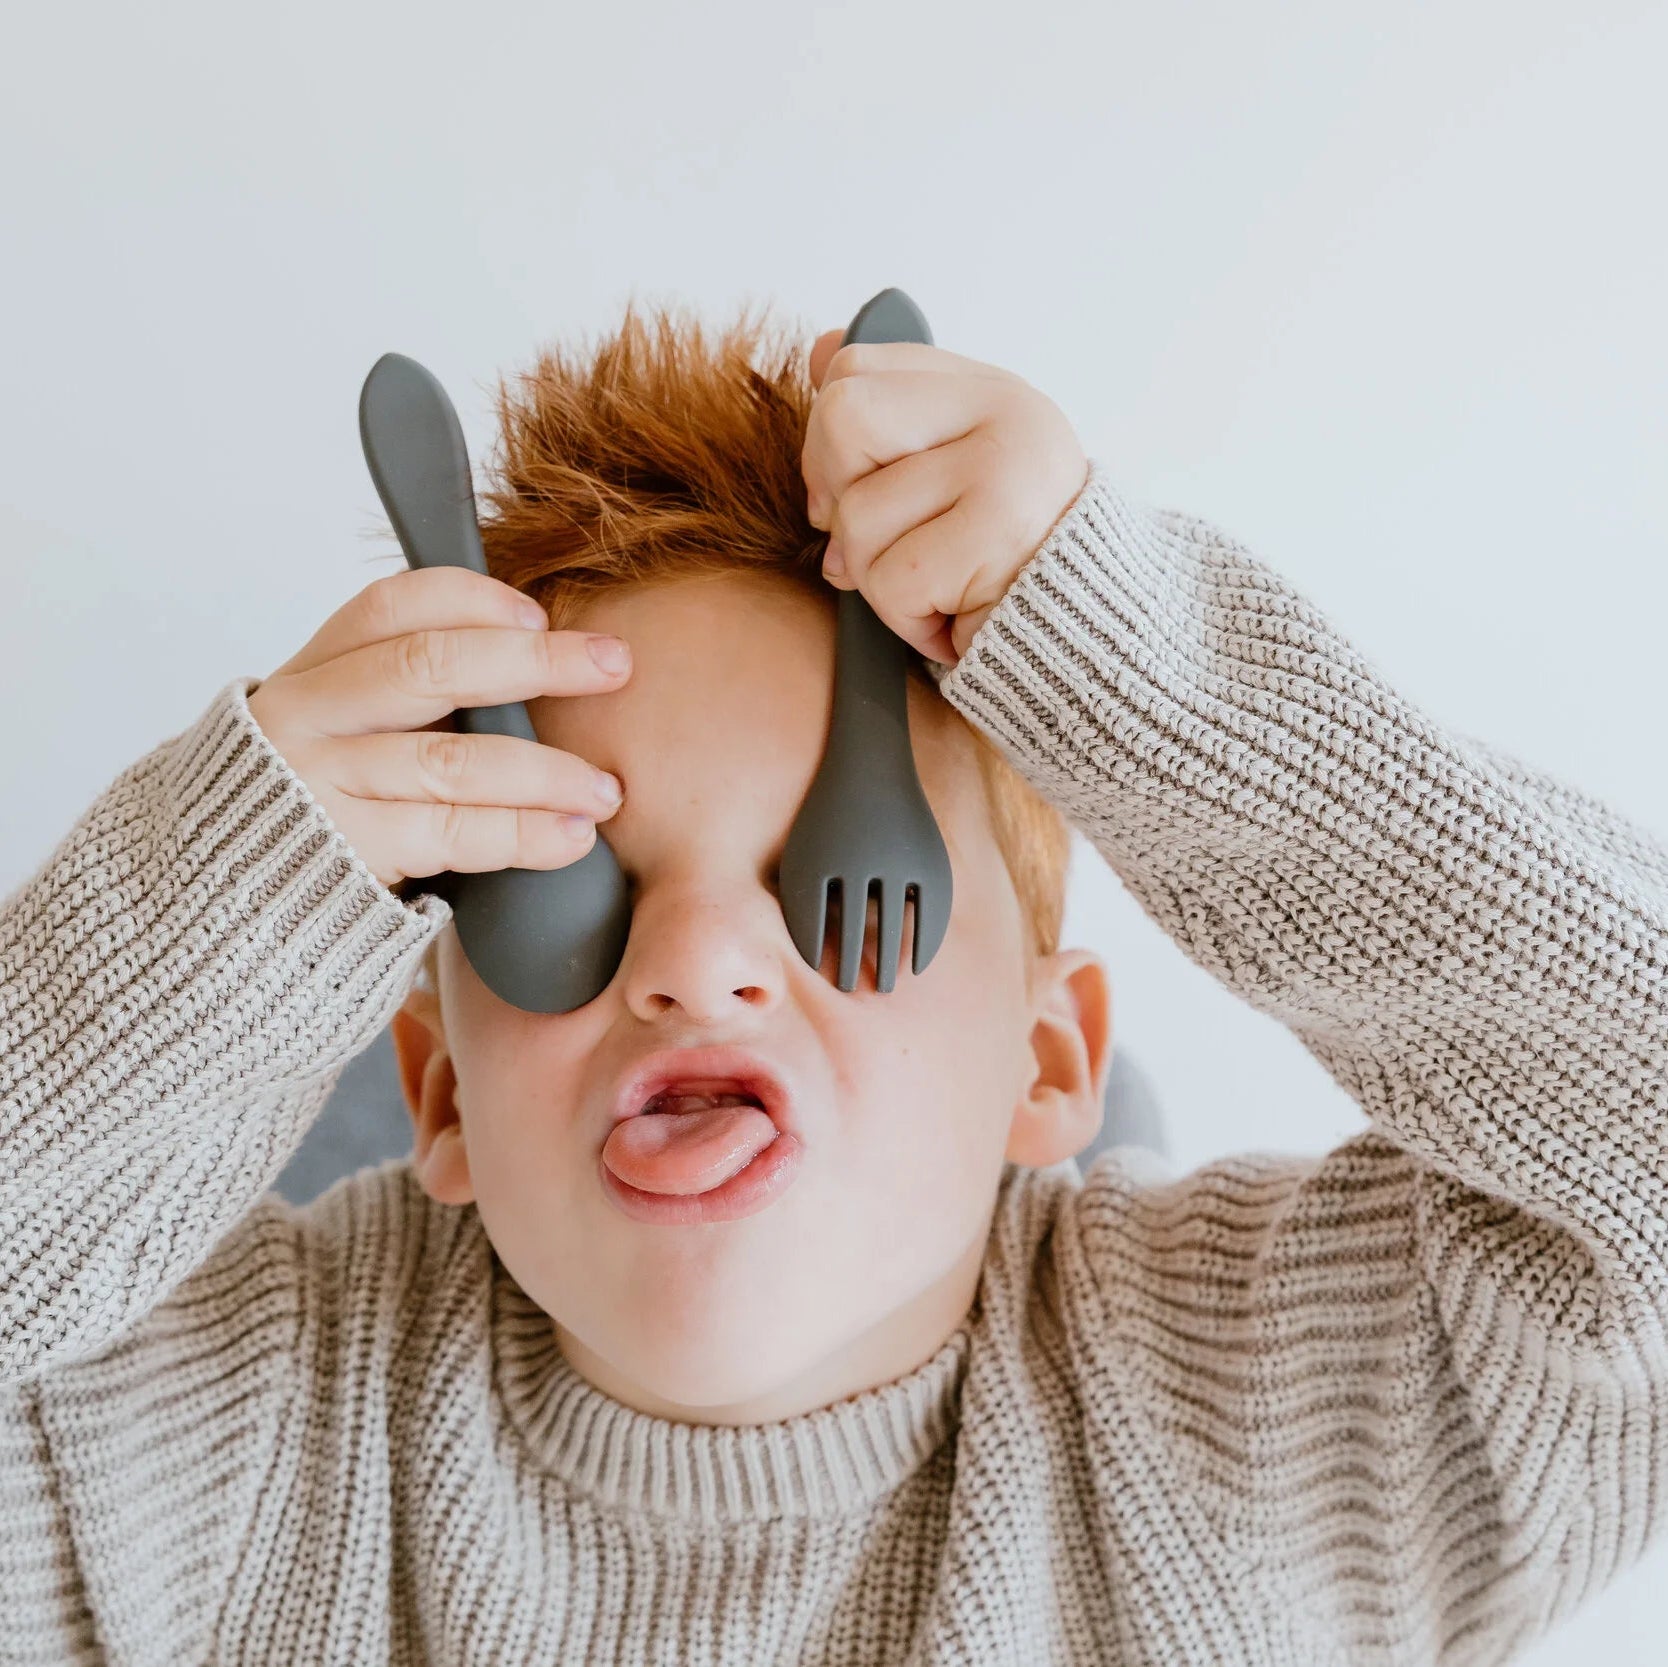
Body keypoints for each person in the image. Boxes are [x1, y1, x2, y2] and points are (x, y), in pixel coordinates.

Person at [2, 301, 1663, 1666]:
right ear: (436, 1093)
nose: (696, 966)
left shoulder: (1262, 1429)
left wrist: (1132, 666)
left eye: (842, 891)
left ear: (1048, 1064)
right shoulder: (222, 1449)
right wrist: (214, 898)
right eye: (565, 900)